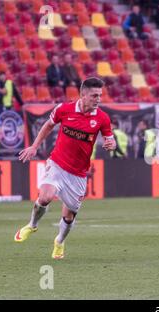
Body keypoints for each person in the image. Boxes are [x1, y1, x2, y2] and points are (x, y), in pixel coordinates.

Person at [14, 77, 116, 259]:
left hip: (78, 174)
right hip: (57, 164)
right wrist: (34, 146)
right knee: (45, 196)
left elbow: (110, 139)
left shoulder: (102, 118)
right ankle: (32, 225)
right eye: (94, 95)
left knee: (69, 216)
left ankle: (59, 241)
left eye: (100, 95)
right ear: (83, 95)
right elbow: (48, 125)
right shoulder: (64, 109)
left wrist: (111, 144)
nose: (98, 99)